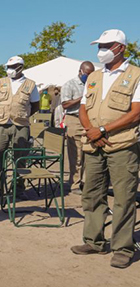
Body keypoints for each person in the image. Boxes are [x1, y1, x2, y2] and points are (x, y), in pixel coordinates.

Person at [71, 29, 140, 269]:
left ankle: (122, 248)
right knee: (92, 194)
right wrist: (92, 130)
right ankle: (94, 241)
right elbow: (82, 108)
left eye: (106, 46)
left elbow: (136, 112)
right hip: (93, 144)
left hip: (122, 145)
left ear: (120, 48)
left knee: (123, 198)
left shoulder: (136, 75)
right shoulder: (93, 77)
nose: (100, 51)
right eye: (99, 46)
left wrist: (104, 130)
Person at [0, 56, 40, 199]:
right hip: (1, 124)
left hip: (21, 125)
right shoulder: (1, 82)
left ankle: (19, 188)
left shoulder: (30, 84)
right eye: (8, 67)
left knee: (20, 158)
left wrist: (23, 114)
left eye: (12, 67)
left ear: (20, 67)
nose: (9, 70)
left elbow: (36, 105)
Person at [61, 61, 95, 194]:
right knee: (75, 154)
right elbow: (65, 104)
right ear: (80, 71)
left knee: (87, 152)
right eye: (87, 74)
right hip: (74, 119)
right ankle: (74, 184)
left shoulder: (92, 84)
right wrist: (81, 99)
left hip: (88, 120)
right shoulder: (70, 84)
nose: (89, 76)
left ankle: (85, 182)